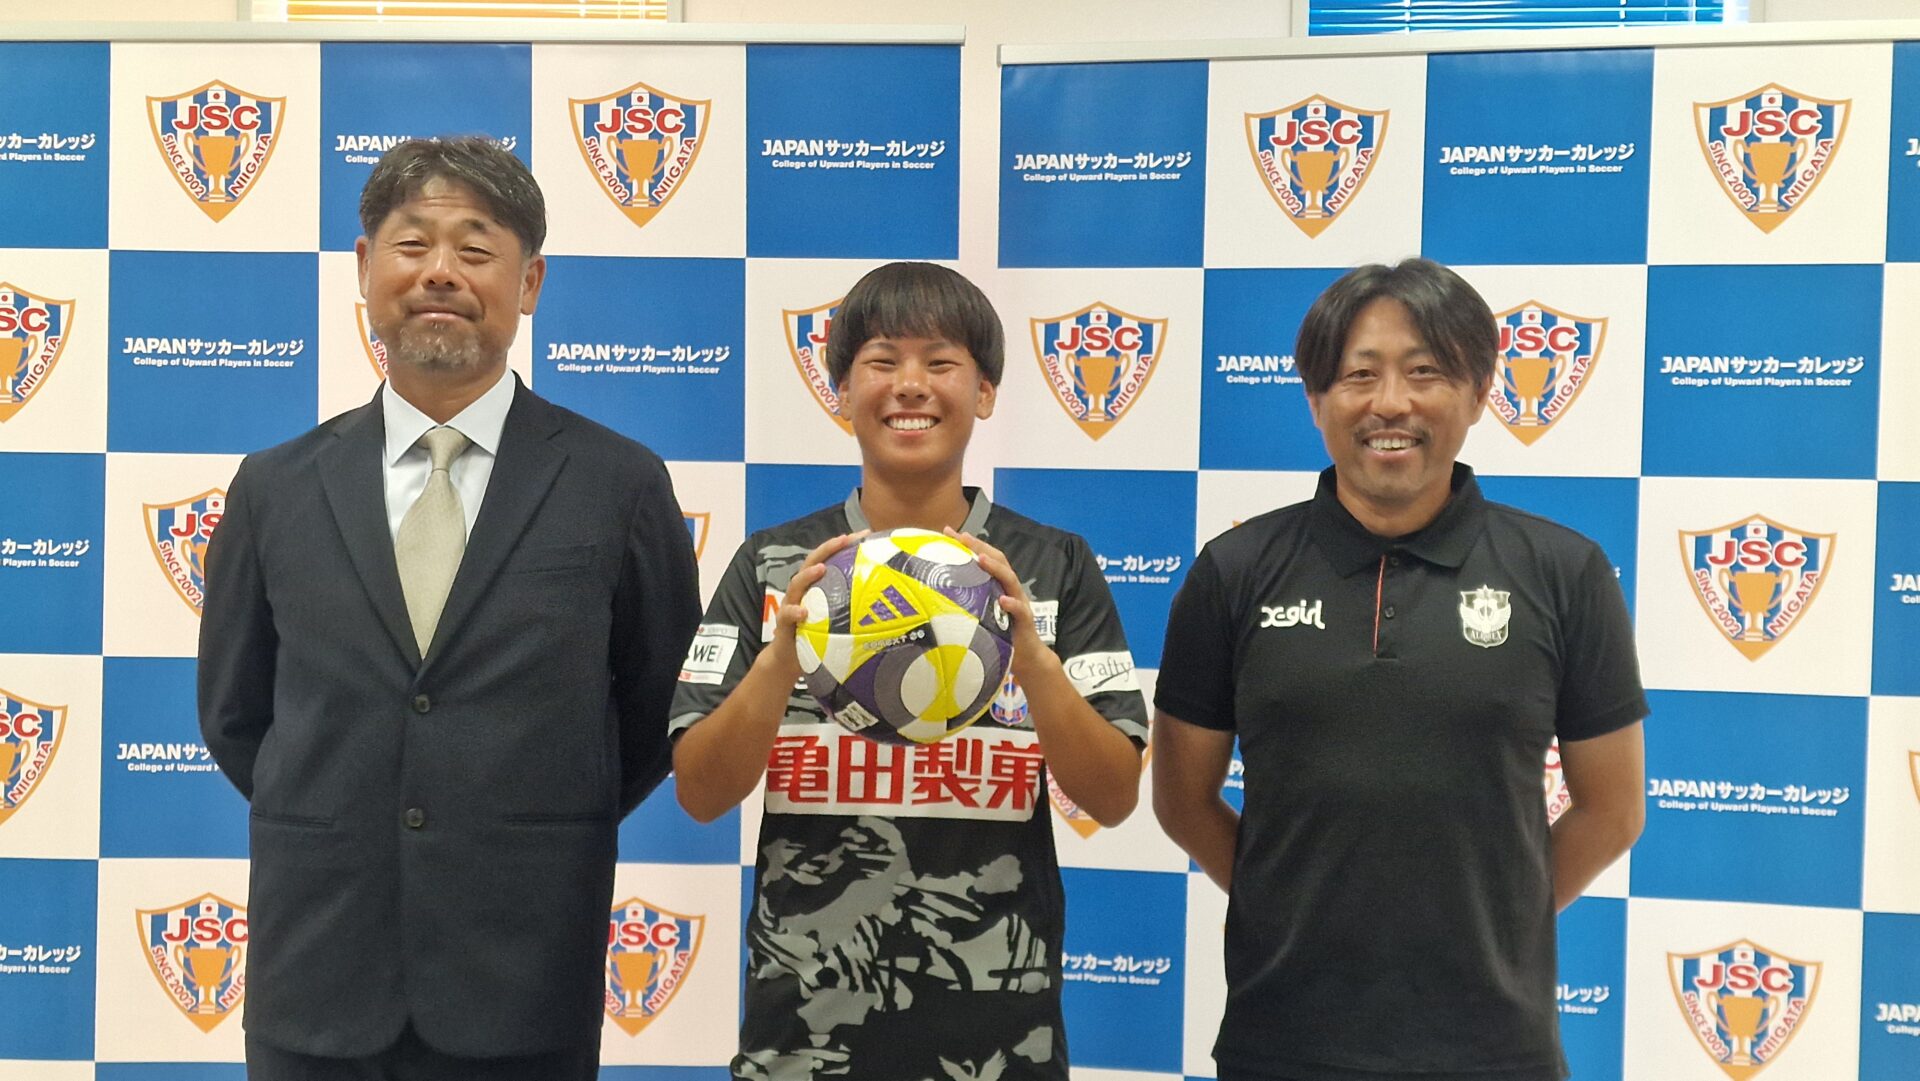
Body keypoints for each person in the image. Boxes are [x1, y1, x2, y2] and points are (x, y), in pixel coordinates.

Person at [197, 136, 701, 1080]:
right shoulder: (274, 487)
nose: (441, 272)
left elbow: (652, 714)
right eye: (412, 243)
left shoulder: (619, 483)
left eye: (475, 249)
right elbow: (236, 715)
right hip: (318, 974)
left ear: (529, 282)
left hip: (525, 977)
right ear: (364, 268)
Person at [1151, 258, 1647, 1081]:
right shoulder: (1234, 573)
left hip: (1496, 1049)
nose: (1391, 402)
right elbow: (1181, 798)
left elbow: (1613, 808)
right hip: (1283, 1041)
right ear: (1316, 399)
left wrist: (1498, 920)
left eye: (1425, 372)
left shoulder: (1565, 571)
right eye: (1359, 375)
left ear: (1479, 393)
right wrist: (1290, 906)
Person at [669, 261, 1147, 1081]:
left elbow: (1113, 794)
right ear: (841, 392)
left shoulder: (1053, 565)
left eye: (941, 361)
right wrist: (781, 661)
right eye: (882, 361)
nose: (911, 385)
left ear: (985, 392)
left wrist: (1032, 661)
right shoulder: (775, 565)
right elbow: (700, 791)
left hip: (999, 1037)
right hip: (805, 1034)